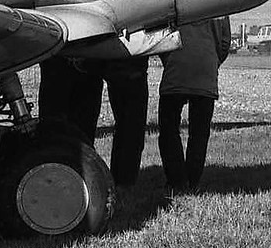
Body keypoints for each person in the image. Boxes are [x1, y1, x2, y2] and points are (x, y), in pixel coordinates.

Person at [37, 53, 150, 191]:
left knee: (78, 129)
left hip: (85, 56)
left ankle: (76, 179)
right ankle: (56, 178)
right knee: (61, 127)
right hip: (78, 55)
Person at [156, 16, 232, 196]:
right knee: (199, 133)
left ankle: (176, 180)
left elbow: (161, 36)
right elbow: (224, 43)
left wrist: (169, 58)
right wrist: (211, 60)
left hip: (176, 67)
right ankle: (192, 180)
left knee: (168, 130)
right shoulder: (220, 3)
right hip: (205, 70)